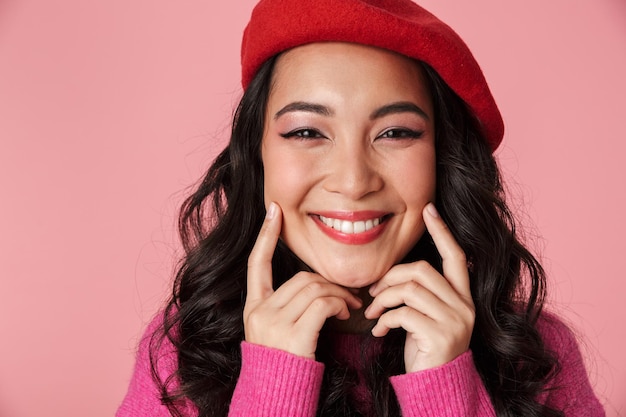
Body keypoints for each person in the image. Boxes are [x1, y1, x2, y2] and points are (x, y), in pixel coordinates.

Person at [116, 0, 605, 416]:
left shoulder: (535, 353)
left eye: (396, 133)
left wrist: (446, 386)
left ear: (443, 158)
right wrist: (272, 383)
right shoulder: (182, 350)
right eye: (307, 132)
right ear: (257, 157)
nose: (353, 182)